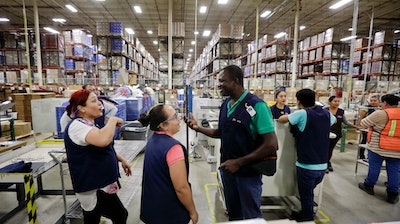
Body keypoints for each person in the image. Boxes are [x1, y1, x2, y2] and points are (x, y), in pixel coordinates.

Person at [185, 65, 278, 221]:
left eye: (222, 81)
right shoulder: (225, 104)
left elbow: (272, 144)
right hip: (228, 172)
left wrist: (239, 162)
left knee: (251, 216)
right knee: (234, 214)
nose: (219, 84)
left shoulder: (257, 106)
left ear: (235, 81)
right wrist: (198, 128)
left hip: (248, 174)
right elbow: (221, 132)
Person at [64, 89, 131, 224]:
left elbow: (102, 148)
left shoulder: (90, 124)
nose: (100, 104)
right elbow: (103, 140)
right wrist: (112, 121)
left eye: (98, 100)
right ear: (81, 108)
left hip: (100, 183)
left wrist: (121, 159)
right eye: (94, 101)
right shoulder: (77, 126)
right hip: (93, 186)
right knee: (117, 215)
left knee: (100, 217)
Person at [278, 88, 336, 221]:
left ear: (299, 102)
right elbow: (334, 121)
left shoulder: (303, 114)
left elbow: (282, 119)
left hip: (306, 164)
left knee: (306, 195)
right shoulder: (326, 114)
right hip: (322, 165)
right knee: (308, 193)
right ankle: (307, 212)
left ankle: (306, 217)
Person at [139, 104, 198, 224]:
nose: (179, 119)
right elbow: (181, 188)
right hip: (169, 213)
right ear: (163, 125)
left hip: (153, 209)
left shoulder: (153, 140)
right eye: (175, 117)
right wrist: (192, 211)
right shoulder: (173, 148)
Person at [358, 94, 400, 204]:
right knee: (395, 171)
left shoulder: (380, 114)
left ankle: (369, 185)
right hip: (397, 149)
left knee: (374, 167)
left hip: (378, 147)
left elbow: (363, 123)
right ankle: (393, 194)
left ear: (385, 103)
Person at [325, 95, 358, 173]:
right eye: (335, 101)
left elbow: (345, 122)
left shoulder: (341, 111)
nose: (337, 103)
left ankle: (327, 163)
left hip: (336, 133)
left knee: (330, 149)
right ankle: (325, 164)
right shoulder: (325, 110)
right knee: (325, 149)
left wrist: (356, 126)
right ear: (330, 102)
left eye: (338, 101)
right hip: (325, 133)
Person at [358, 94, 380, 160]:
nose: (373, 102)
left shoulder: (380, 108)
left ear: (379, 101)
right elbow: (361, 117)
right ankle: (361, 155)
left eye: (375, 100)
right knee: (364, 140)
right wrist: (360, 125)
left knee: (373, 143)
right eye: (371, 100)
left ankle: (369, 156)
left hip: (376, 128)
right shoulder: (366, 108)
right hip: (366, 128)